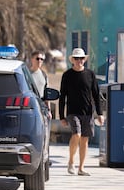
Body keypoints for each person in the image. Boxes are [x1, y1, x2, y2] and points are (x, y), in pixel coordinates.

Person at [59, 48, 104, 176]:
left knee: (84, 140)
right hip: (73, 112)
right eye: (77, 58)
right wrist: (62, 116)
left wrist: (99, 113)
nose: (79, 61)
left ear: (85, 60)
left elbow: (96, 95)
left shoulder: (90, 74)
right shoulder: (67, 75)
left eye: (82, 58)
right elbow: (63, 97)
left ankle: (81, 168)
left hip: (88, 113)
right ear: (72, 60)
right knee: (76, 135)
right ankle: (71, 162)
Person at [29, 50, 52, 119]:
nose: (40, 61)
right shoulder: (27, 74)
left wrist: (49, 110)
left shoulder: (44, 75)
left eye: (42, 59)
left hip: (42, 108)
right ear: (32, 59)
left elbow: (47, 94)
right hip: (30, 107)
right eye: (37, 58)